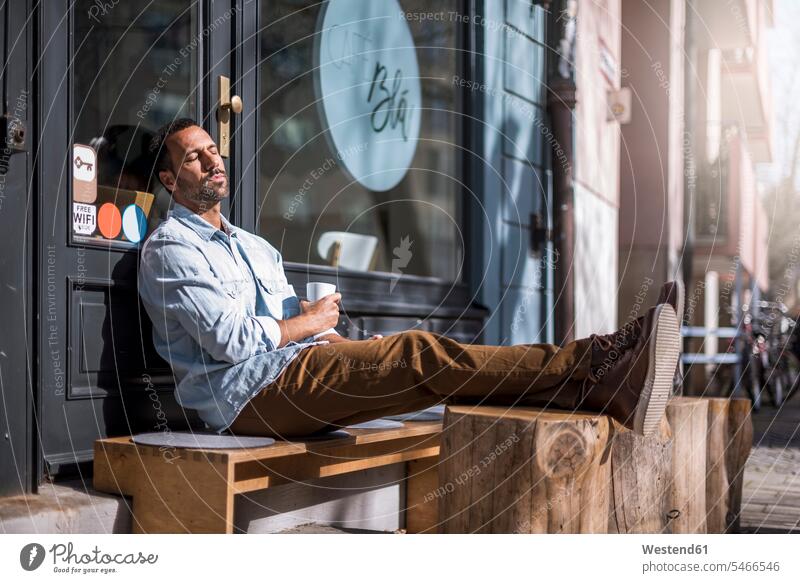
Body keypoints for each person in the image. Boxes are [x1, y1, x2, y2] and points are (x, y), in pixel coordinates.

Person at [138, 118, 683, 439]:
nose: (213, 160)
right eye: (193, 157)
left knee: (426, 379)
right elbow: (231, 342)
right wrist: (310, 324)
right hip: (245, 401)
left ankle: (603, 391)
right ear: (169, 179)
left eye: (214, 149)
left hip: (297, 371)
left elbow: (296, 326)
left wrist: (346, 345)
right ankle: (600, 359)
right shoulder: (170, 250)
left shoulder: (253, 246)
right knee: (422, 357)